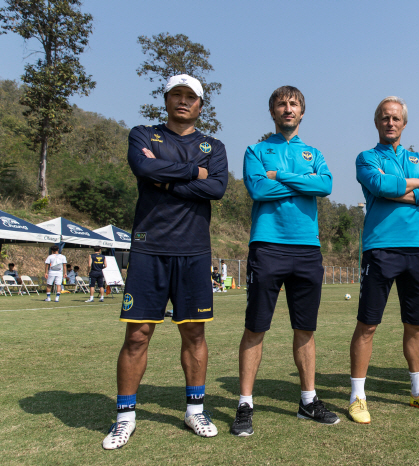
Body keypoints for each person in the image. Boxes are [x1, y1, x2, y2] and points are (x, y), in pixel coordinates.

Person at [102, 74, 228, 450]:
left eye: (191, 96)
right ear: (166, 99)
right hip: (148, 248)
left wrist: (164, 175)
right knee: (137, 335)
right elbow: (144, 169)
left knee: (194, 333)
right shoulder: (143, 134)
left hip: (193, 251)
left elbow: (216, 188)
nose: (184, 101)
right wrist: (193, 171)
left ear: (201, 105)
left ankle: (195, 410)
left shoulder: (213, 145)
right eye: (177, 94)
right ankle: (125, 417)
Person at [231, 85, 337, 437]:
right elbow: (259, 189)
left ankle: (308, 401)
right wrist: (302, 182)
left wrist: (282, 177)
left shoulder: (313, 152)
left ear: (302, 112)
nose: (288, 108)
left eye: (294, 104)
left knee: (305, 329)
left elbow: (325, 185)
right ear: (272, 112)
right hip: (268, 246)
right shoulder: (256, 150)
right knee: (256, 327)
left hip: (307, 248)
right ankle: (245, 403)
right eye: (281, 103)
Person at [348, 96, 419, 425]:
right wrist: (417, 186)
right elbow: (376, 183)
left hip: (418, 249)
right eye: (384, 118)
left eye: (396, 118)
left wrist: (407, 190)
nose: (390, 123)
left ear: (404, 124)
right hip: (380, 249)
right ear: (376, 123)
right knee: (368, 325)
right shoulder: (366, 158)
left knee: (416, 325)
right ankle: (357, 397)